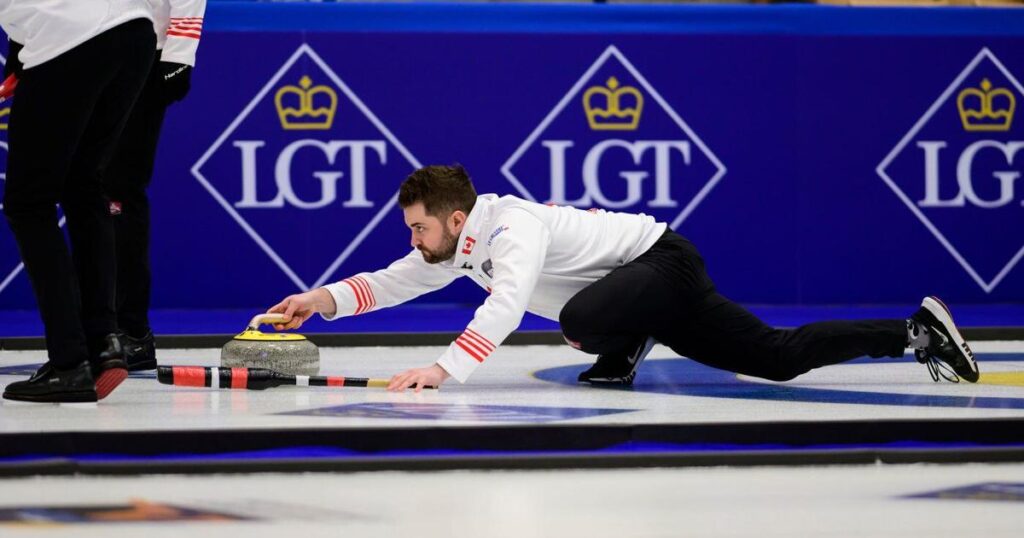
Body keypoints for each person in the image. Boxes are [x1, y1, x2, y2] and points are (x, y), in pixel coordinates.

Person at [267, 165, 980, 392]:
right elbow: (391, 281)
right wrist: (317, 301)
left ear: (455, 219)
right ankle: (915, 331)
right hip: (647, 286)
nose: (413, 241)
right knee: (778, 358)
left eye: (419, 228)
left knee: (576, 320)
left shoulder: (511, 228)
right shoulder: (455, 243)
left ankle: (624, 340)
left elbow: (508, 304)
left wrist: (443, 369)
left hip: (663, 262)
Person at [0, 1, 156, 403]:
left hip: (68, 35)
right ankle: (104, 343)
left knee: (28, 203)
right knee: (83, 186)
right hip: (134, 32)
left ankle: (69, 361)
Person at [106, 0, 206, 371]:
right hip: (86, 51)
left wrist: (178, 57)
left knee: (119, 190)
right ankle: (103, 327)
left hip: (147, 55)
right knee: (94, 190)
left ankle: (131, 331)